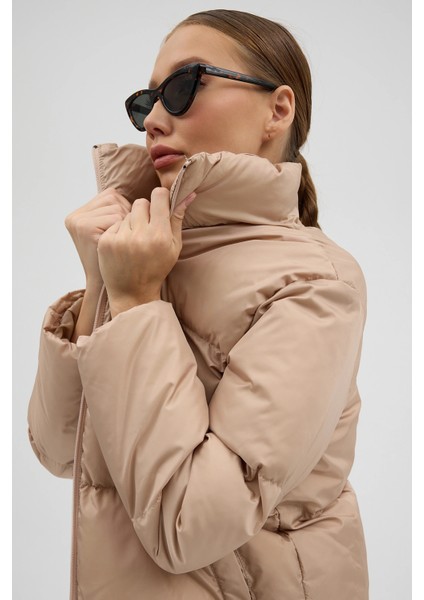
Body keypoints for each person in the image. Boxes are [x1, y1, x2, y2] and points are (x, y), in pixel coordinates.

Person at [28, 9, 369, 600]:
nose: (154, 120)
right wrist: (100, 280)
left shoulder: (318, 284)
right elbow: (60, 453)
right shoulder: (146, 253)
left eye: (184, 87)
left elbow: (189, 524)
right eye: (145, 101)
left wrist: (135, 300)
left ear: (277, 110)